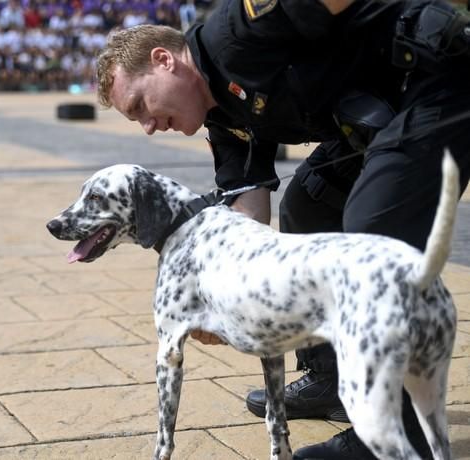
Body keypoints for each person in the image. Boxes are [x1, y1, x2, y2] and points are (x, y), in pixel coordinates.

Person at [95, 0, 470, 458]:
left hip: (436, 79)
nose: (149, 127)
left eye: (140, 106)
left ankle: (393, 434)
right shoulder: (219, 114)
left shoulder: (239, 30)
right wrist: (219, 297)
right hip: (381, 114)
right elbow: (249, 213)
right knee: (307, 208)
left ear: (163, 60)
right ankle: (332, 379)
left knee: (373, 225)